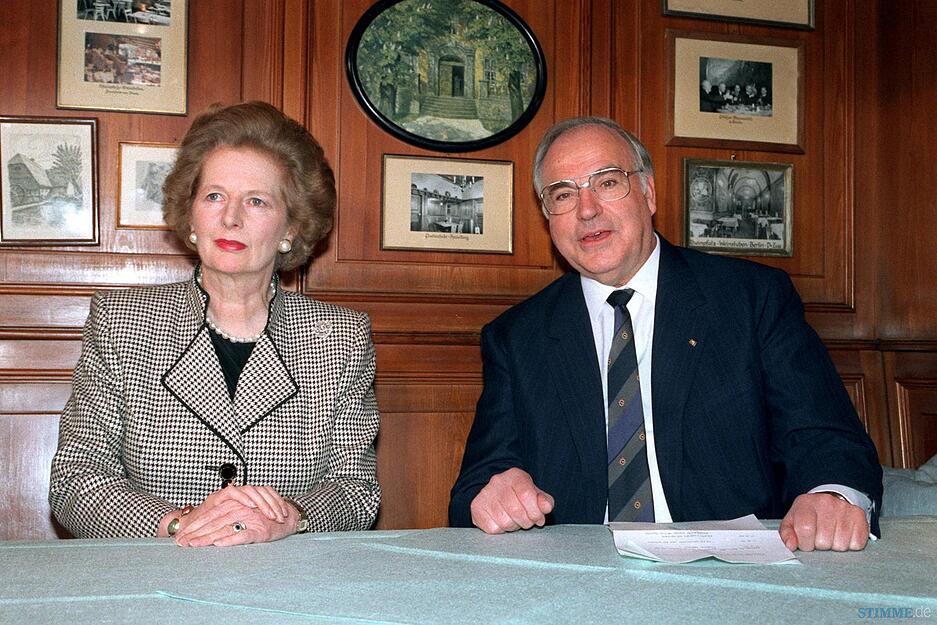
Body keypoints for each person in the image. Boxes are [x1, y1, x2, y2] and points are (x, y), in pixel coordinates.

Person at [449, 117, 882, 552]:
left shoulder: (750, 299)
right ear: (548, 219)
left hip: (733, 572)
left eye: (607, 182)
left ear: (649, 193)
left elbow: (824, 435)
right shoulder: (517, 336)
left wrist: (831, 495)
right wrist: (495, 494)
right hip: (579, 577)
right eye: (563, 194)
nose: (586, 209)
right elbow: (479, 481)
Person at [50, 101, 381, 546]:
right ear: (191, 218)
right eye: (214, 196)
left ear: (291, 228)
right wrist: (179, 523)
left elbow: (355, 491)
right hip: (155, 575)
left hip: (287, 582)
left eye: (257, 201)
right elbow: (76, 480)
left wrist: (291, 519)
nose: (231, 217)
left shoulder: (341, 337)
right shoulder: (121, 321)